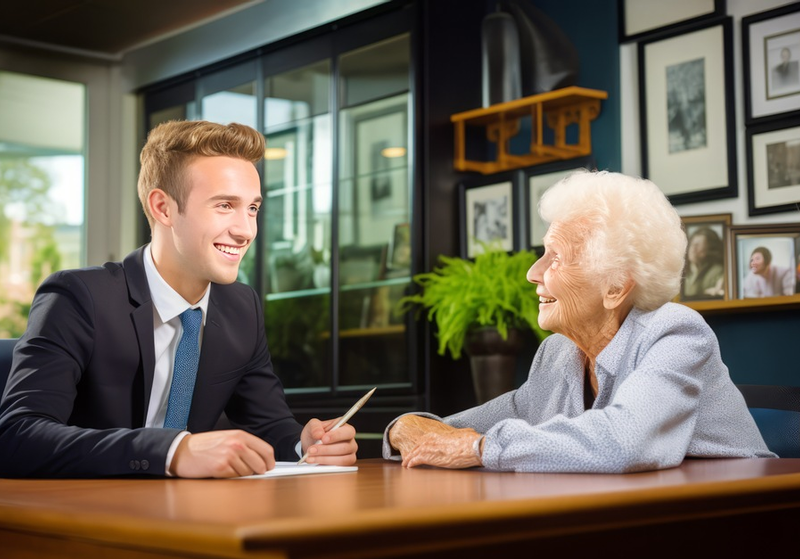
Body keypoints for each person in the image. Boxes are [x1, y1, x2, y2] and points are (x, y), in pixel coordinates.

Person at [0, 120, 357, 478]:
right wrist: (172, 450)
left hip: (191, 516)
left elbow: (268, 425)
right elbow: (17, 435)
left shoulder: (241, 308)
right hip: (85, 513)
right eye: (224, 205)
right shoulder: (79, 298)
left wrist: (304, 444)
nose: (246, 230)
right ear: (163, 208)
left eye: (252, 208)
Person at [383, 171, 774, 473]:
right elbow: (458, 431)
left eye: (555, 258)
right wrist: (402, 430)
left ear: (616, 287)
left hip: (742, 525)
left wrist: (478, 448)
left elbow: (625, 442)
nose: (533, 273)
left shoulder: (674, 333)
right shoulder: (558, 353)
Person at [682, 226, 724, 300]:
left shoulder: (718, 272)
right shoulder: (682, 271)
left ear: (710, 249)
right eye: (692, 244)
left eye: (697, 245)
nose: (693, 249)